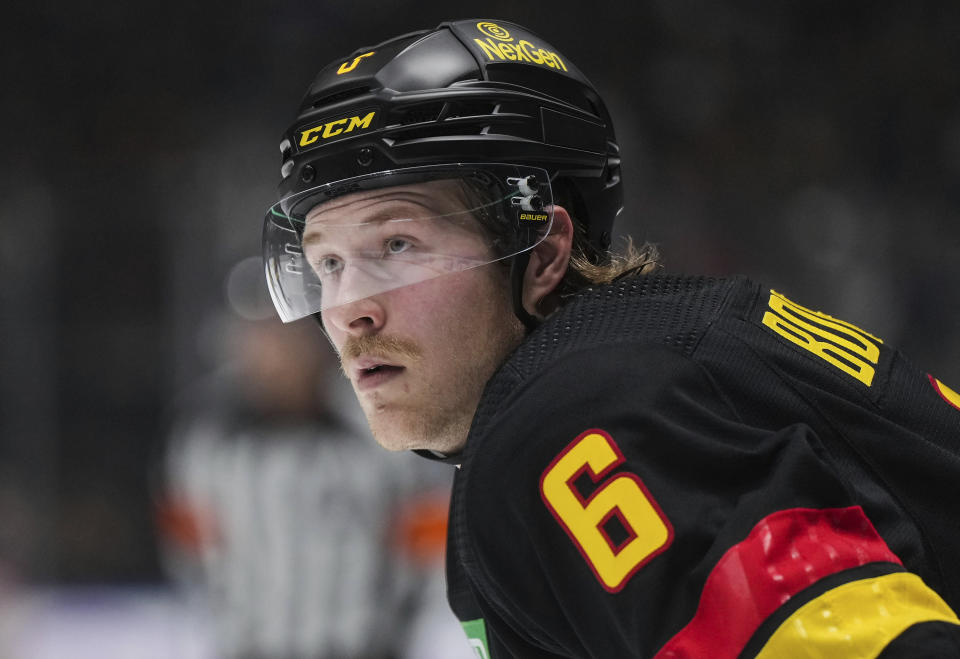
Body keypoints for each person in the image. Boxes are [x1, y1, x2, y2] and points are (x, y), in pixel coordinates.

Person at [261, 19, 960, 657]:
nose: (349, 307)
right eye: (327, 261)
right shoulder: (644, 359)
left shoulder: (581, 415)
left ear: (543, 250)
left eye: (397, 241)